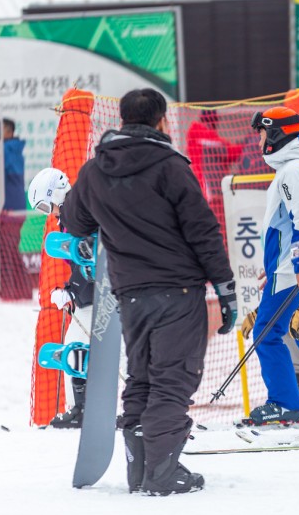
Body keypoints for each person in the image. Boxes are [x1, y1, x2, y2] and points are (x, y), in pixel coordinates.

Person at [60, 88, 237, 496]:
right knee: (173, 379)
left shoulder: (93, 171)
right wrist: (225, 289)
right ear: (161, 121)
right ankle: (162, 472)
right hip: (178, 291)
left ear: (121, 120)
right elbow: (202, 231)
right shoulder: (171, 166)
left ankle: (141, 468)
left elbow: (73, 220)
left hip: (130, 294)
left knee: (142, 377)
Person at [239, 107, 299, 424]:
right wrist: (272, 264)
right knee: (275, 332)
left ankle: (284, 403)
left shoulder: (293, 171)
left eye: (261, 131)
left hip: (291, 270)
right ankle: (290, 402)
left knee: (267, 333)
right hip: (284, 268)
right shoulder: (289, 170)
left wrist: (297, 265)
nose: (258, 139)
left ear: (276, 133)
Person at [28, 167, 94, 429]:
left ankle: (133, 408)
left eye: (46, 206)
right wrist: (68, 289)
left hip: (105, 292)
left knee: (98, 347)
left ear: (55, 194)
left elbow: (91, 257)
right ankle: (82, 409)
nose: (48, 213)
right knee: (74, 342)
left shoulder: (77, 213)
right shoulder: (69, 216)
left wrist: (71, 290)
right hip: (90, 293)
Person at [0, 118, 28, 300]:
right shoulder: (14, 149)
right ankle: (19, 289)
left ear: (9, 131)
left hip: (9, 209)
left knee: (7, 251)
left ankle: (15, 290)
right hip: (16, 208)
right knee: (10, 250)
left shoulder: (4, 150)